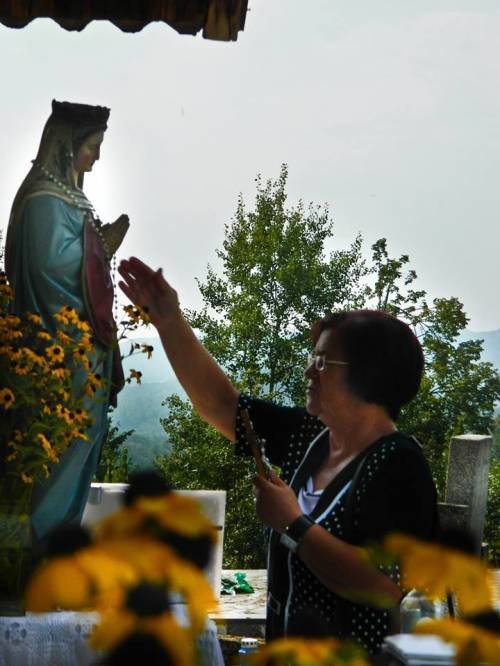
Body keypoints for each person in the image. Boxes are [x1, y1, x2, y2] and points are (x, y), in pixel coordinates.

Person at [118, 257, 438, 655]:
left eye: (321, 361)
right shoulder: (312, 437)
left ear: (368, 376)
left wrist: (293, 524)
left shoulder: (397, 464)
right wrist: (168, 321)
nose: (308, 372)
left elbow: (385, 584)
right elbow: (222, 404)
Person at [5, 100, 128, 540]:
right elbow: (45, 268)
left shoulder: (66, 196)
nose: (96, 157)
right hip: (54, 347)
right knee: (55, 446)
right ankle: (39, 548)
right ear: (68, 145)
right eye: (92, 146)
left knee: (81, 441)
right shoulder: (42, 199)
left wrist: (99, 248)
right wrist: (98, 248)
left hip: (80, 345)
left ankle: (57, 544)